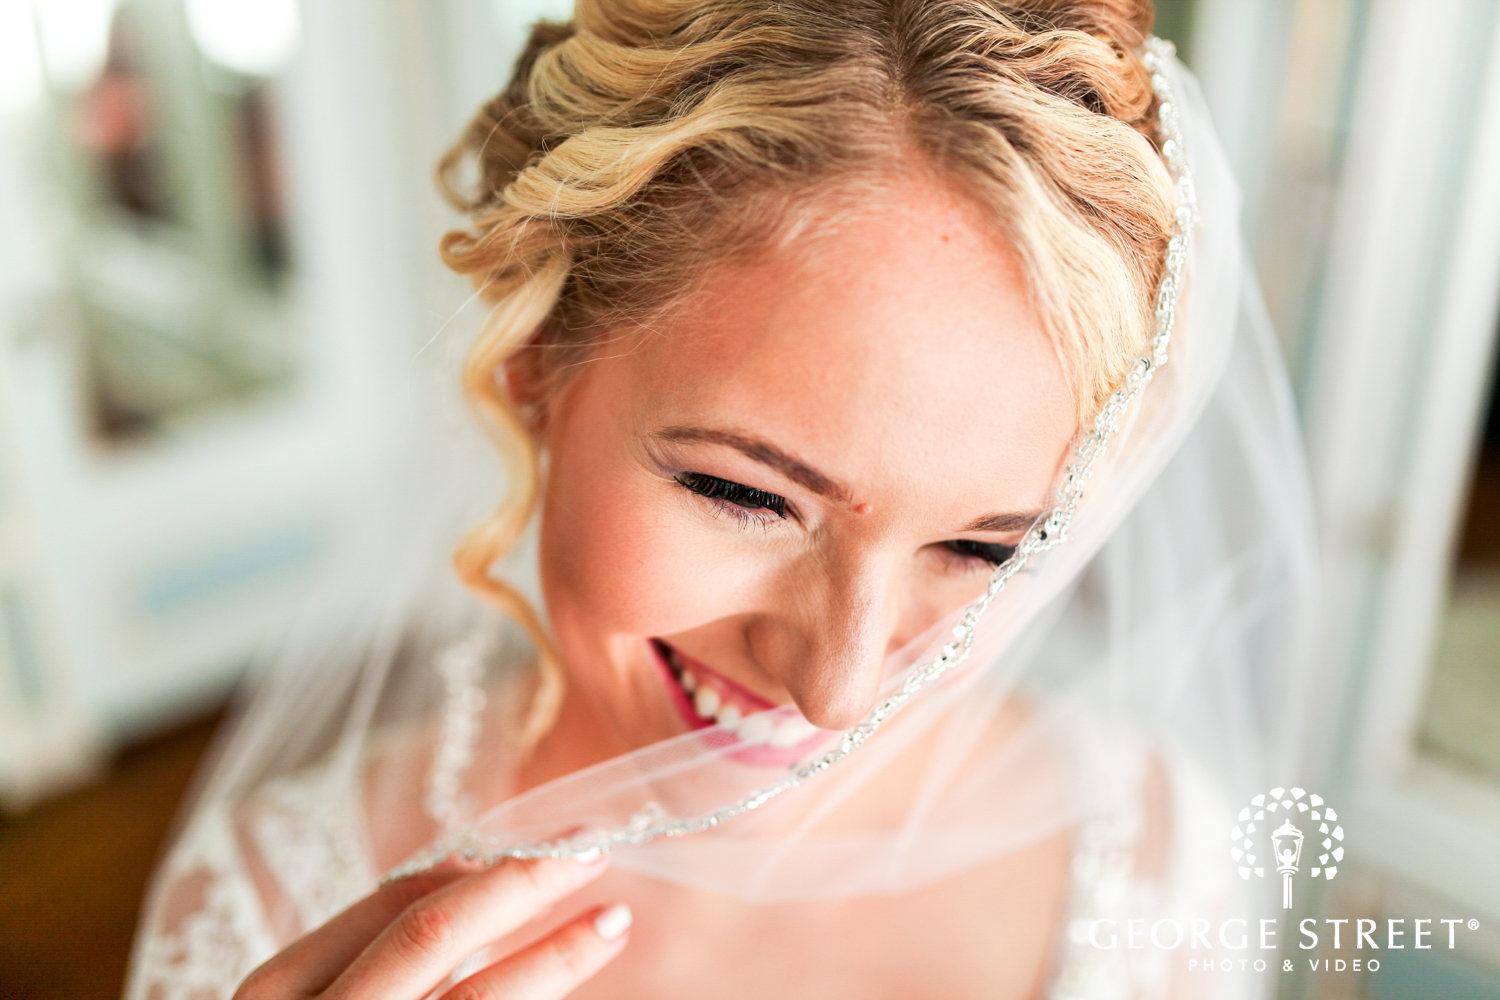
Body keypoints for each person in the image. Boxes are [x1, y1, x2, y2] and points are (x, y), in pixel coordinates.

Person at [126, 1, 1313, 998]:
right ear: (536, 360)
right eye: (744, 493)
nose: (836, 688)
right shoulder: (271, 908)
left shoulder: (1153, 855)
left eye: (981, 547)